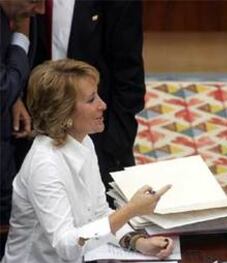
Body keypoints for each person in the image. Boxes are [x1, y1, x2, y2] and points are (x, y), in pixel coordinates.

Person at [0, 59, 174, 263]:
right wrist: (131, 210)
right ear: (63, 113)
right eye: (92, 99)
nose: (103, 105)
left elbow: (99, 213)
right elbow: (65, 245)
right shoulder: (45, 166)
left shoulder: (83, 142)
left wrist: (136, 241)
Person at [15, 0, 146, 209]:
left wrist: (114, 144)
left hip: (99, 133)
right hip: (28, 125)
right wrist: (16, 98)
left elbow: (129, 77)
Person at [0, 0, 45, 258]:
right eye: (34, 1)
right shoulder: (20, 24)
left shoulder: (17, 12)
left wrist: (15, 98)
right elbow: (3, 88)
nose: (39, 10)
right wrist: (21, 37)